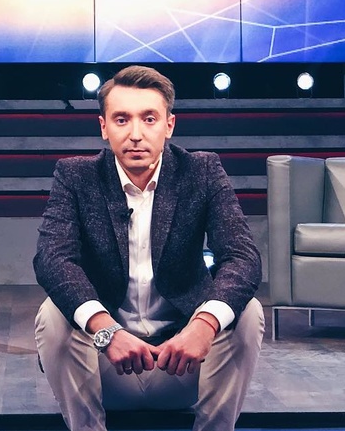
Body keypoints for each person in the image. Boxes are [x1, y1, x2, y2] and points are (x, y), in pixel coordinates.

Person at [33, 65, 265, 431]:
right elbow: (53, 258)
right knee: (52, 314)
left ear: (169, 125)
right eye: (122, 119)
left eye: (149, 118)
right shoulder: (76, 176)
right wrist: (106, 330)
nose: (136, 134)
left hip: (184, 363)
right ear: (104, 127)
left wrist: (203, 325)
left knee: (248, 313)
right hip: (106, 366)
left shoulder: (201, 171)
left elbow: (242, 256)